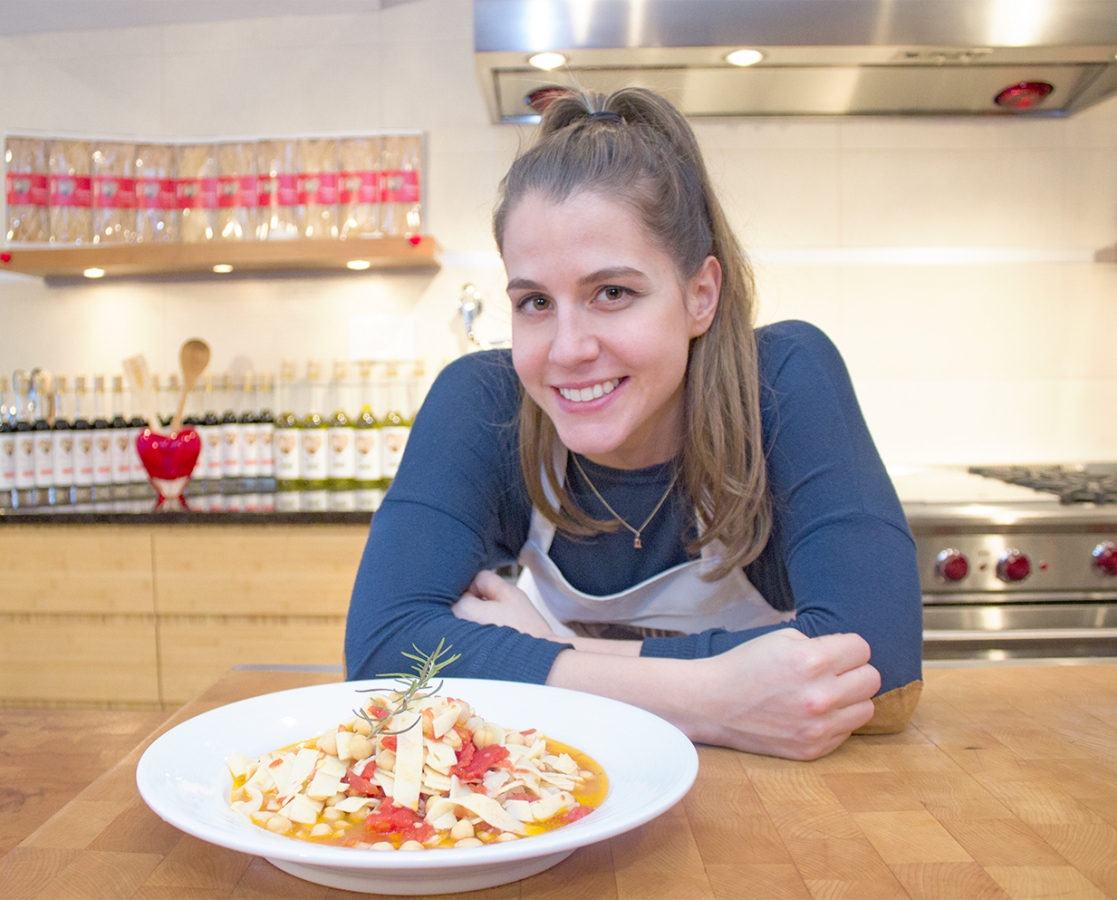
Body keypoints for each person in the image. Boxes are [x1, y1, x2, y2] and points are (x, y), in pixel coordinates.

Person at [345, 87, 923, 761]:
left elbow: (881, 669)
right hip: (585, 793)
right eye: (534, 301)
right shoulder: (484, 400)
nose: (566, 349)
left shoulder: (782, 378)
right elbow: (382, 654)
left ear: (700, 295)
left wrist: (551, 654)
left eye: (611, 293)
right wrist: (711, 696)